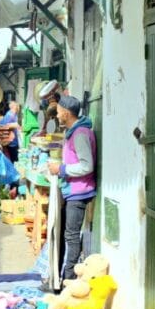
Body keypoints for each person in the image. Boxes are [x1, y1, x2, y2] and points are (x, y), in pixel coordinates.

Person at [46, 95, 96, 280]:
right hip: (73, 190)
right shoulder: (73, 131)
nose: (57, 115)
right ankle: (62, 276)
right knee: (69, 235)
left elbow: (86, 165)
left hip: (79, 192)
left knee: (72, 237)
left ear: (66, 113)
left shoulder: (80, 133)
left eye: (58, 112)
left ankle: (68, 279)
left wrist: (61, 168)